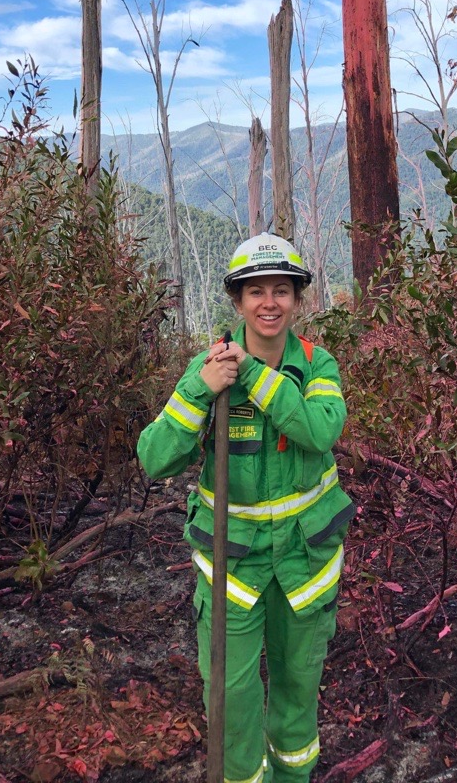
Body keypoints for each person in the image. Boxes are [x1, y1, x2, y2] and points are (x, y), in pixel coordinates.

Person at [137, 233, 353, 783]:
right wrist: (199, 392)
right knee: (231, 701)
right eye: (255, 291)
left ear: (298, 298)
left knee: (297, 691)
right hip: (232, 568)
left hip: (306, 564)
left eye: (282, 290)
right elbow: (155, 458)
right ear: (237, 301)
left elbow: (320, 429)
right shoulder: (208, 370)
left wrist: (255, 377)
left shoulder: (317, 364)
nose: (269, 303)